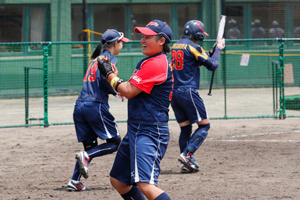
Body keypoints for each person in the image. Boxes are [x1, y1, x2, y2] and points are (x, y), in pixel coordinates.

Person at [98, 19, 173, 200]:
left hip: (149, 130)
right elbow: (131, 88)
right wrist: (115, 77)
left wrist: (109, 74)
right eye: (142, 36)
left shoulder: (156, 63)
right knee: (118, 180)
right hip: (137, 129)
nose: (142, 40)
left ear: (161, 41)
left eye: (148, 37)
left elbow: (129, 91)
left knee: (145, 184)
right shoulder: (149, 61)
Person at [67, 29, 129, 191]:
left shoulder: (95, 59)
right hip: (95, 106)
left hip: (80, 105)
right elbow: (106, 81)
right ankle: (86, 157)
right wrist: (119, 89)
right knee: (115, 142)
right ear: (115, 44)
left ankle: (74, 181)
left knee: (90, 147)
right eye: (121, 42)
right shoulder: (110, 59)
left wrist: (114, 90)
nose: (122, 45)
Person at [170, 20, 225, 173]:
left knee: (185, 129)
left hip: (174, 93)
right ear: (197, 34)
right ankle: (187, 155)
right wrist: (219, 49)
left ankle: (186, 162)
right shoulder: (194, 47)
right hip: (188, 91)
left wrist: (213, 51)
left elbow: (200, 59)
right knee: (204, 125)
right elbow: (213, 65)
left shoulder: (176, 45)